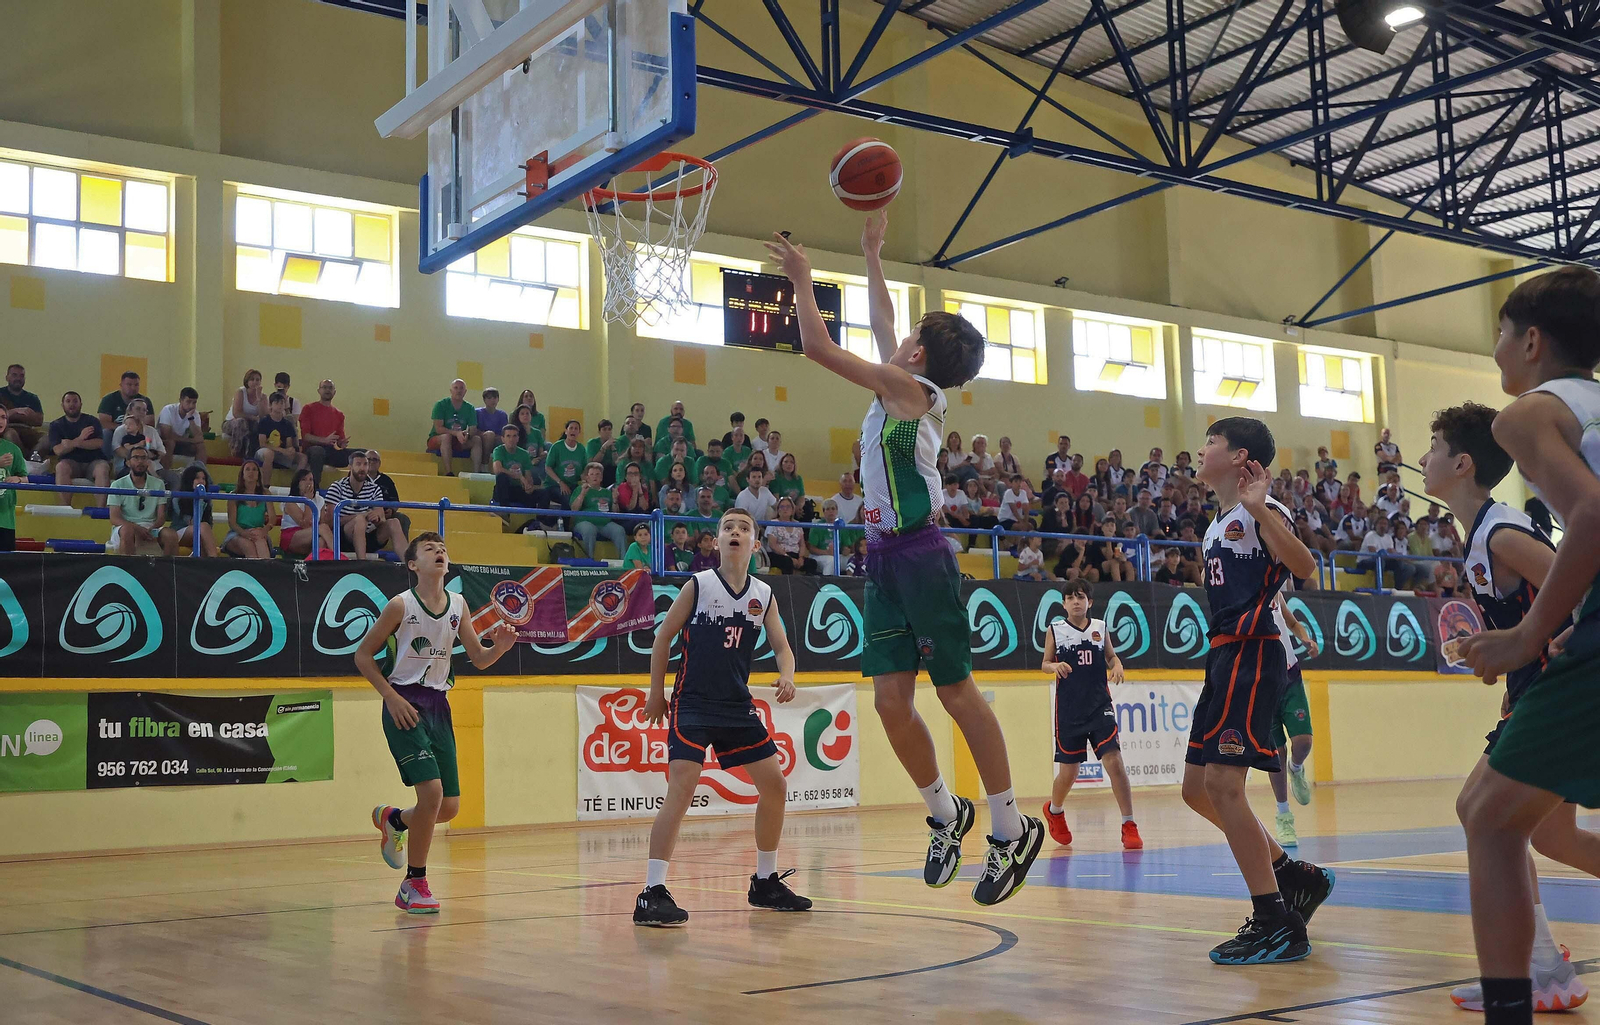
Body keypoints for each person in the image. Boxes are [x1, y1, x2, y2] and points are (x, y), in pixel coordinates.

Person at [767, 212, 1042, 907]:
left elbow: (817, 347)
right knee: (891, 702)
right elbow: (887, 319)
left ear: (918, 357)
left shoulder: (910, 393)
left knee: (956, 692)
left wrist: (803, 281)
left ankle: (1011, 825)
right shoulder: (902, 377)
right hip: (881, 558)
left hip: (921, 556)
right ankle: (948, 816)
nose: (899, 339)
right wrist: (871, 253)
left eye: (910, 338)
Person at [1427, 395, 1595, 1015]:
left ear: (1464, 464)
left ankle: (1535, 972)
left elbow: (1569, 577)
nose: (1423, 459)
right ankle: (1543, 966)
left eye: (1434, 450)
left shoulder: (1499, 530)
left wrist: (1539, 643)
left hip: (1558, 686)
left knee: (1484, 816)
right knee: (1545, 834)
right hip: (1534, 685)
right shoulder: (1482, 532)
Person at [1184, 416, 1332, 965]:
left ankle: (1275, 919)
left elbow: (1305, 566)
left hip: (1252, 652)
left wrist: (1260, 507)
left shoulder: (1261, 513)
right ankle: (1293, 876)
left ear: (1240, 456)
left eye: (1210, 441)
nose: (1200, 450)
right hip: (1223, 654)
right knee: (1196, 789)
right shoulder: (1217, 522)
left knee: (1225, 785)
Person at [634, 508, 808, 925]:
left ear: (755, 544)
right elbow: (662, 637)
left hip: (735, 705)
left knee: (775, 786)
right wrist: (656, 694)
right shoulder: (699, 584)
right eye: (728, 527)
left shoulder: (763, 595)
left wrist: (787, 674)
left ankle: (764, 881)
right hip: (692, 702)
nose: (735, 532)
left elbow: (783, 646)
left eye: (743, 528)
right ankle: (652, 891)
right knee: (683, 786)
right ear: (716, 541)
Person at [362, 533, 517, 914]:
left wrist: (498, 648)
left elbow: (478, 659)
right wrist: (391, 697)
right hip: (404, 702)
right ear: (413, 564)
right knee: (430, 794)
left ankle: (394, 820)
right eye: (430, 549)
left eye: (443, 549)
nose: (440, 552)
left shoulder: (459, 605)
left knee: (448, 807)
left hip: (438, 705)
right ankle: (414, 884)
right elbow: (363, 656)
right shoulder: (400, 606)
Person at [1040, 581, 1140, 850]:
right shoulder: (1055, 630)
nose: (1075, 602)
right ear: (1063, 604)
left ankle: (1129, 824)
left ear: (1090, 602)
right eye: (1070, 598)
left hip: (1099, 706)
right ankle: (1055, 810)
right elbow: (1045, 663)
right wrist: (1054, 666)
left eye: (1080, 597)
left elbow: (1111, 657)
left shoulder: (1100, 627)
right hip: (1069, 709)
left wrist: (1118, 665)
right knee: (1068, 774)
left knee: (1114, 762)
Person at [1266, 588, 1319, 848]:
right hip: (1262, 683)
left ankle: (1296, 768)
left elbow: (1292, 621)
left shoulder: (1274, 590)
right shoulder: (1239, 592)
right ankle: (1283, 814)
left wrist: (1306, 638)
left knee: (1304, 741)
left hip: (1289, 676)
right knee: (1275, 753)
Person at [326, 451, 406, 559]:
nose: (362, 468)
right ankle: (362, 564)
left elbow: (381, 517)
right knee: (359, 520)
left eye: (365, 464)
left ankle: (409, 564)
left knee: (394, 522)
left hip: (368, 535)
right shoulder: (337, 487)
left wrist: (376, 518)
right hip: (343, 537)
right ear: (350, 467)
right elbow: (330, 522)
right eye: (358, 464)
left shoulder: (375, 489)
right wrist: (361, 516)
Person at [49, 391, 110, 505]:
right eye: (68, 401)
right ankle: (64, 509)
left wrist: (72, 443)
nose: (72, 404)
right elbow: (58, 450)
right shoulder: (56, 425)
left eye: (75, 401)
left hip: (93, 461)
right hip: (71, 463)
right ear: (62, 405)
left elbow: (98, 443)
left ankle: (100, 511)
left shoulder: (92, 421)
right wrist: (81, 438)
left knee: (102, 468)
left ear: (81, 404)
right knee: (61, 467)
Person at [107, 446, 167, 556]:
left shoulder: (159, 484)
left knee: (170, 535)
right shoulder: (117, 485)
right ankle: (128, 569)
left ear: (148, 462)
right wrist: (137, 528)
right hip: (125, 526)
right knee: (127, 531)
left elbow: (161, 517)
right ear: (128, 462)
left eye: (144, 458)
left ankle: (171, 571)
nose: (140, 461)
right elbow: (114, 518)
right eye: (136, 458)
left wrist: (151, 529)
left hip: (151, 527)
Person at [299, 380, 352, 488]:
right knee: (318, 451)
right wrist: (325, 440)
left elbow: (339, 440)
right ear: (319, 391)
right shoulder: (308, 408)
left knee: (362, 454)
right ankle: (314, 489)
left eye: (330, 388)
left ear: (334, 392)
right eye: (325, 387)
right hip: (312, 450)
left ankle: (359, 490)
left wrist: (342, 443)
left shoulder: (339, 414)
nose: (328, 390)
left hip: (330, 452)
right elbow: (306, 436)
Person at [160, 463, 221, 557]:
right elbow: (192, 522)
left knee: (204, 533)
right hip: (177, 532)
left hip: (198, 532)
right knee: (203, 527)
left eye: (203, 479)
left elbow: (209, 523)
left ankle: (204, 566)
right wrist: (199, 500)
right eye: (197, 478)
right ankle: (214, 561)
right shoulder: (178, 498)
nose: (201, 481)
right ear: (189, 479)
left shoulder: (206, 499)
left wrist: (202, 499)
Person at [570, 462, 626, 558]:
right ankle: (589, 560)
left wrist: (615, 500)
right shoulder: (580, 489)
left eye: (597, 474)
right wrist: (582, 494)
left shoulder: (607, 492)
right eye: (592, 474)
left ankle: (624, 562)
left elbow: (616, 513)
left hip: (605, 523)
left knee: (619, 530)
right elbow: (574, 509)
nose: (595, 477)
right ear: (587, 477)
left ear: (601, 477)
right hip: (585, 521)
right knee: (589, 530)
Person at [223, 459, 276, 560]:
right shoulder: (234, 496)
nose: (251, 472)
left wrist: (264, 530)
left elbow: (272, 518)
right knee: (248, 545)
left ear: (258, 474)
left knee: (259, 539)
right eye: (247, 469)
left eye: (254, 469)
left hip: (259, 532)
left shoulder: (266, 494)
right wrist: (245, 534)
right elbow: (232, 523)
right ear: (242, 474)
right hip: (237, 534)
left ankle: (266, 571)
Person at [110, 399, 169, 485]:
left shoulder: (151, 431)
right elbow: (119, 450)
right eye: (138, 409)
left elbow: (162, 452)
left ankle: (171, 498)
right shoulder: (121, 430)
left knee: (174, 478)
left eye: (144, 410)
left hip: (154, 466)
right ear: (130, 411)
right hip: (128, 468)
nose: (141, 412)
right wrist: (141, 458)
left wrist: (152, 455)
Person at [427, 379, 479, 475]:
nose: (458, 391)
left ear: (465, 391)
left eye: (461, 388)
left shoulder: (469, 408)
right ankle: (449, 472)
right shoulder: (441, 405)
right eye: (456, 388)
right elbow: (438, 429)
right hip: (438, 439)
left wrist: (466, 434)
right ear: (451, 391)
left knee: (476, 440)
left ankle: (476, 472)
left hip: (458, 440)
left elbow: (473, 429)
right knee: (446, 437)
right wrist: (456, 433)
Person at [491, 424, 547, 513]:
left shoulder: (524, 454)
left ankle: (541, 522)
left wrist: (528, 485)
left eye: (514, 436)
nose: (511, 439)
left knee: (544, 494)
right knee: (502, 477)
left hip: (518, 489)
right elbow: (497, 469)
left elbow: (528, 475)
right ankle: (505, 513)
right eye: (508, 436)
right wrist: (519, 476)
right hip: (503, 489)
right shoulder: (499, 450)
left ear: (518, 438)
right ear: (503, 438)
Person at [280, 468, 333, 558]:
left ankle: (313, 567)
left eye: (311, 479)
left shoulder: (319, 500)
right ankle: (338, 557)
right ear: (297, 483)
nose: (308, 483)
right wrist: (308, 501)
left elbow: (323, 523)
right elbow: (304, 524)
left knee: (321, 541)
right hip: (292, 536)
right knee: (323, 528)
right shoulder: (290, 501)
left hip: (313, 535)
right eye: (304, 480)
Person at [254, 392, 306, 478]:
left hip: (281, 452)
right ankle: (265, 486)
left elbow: (288, 444)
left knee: (303, 458)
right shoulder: (264, 421)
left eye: (282, 402)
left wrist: (290, 450)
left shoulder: (288, 424)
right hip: (264, 451)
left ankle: (296, 484)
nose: (279, 405)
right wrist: (282, 450)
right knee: (269, 454)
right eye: (276, 402)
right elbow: (262, 444)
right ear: (270, 405)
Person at [157, 387, 207, 471]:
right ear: (181, 400)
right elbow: (166, 435)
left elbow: (199, 437)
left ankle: (199, 473)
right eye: (188, 402)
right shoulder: (168, 410)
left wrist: (190, 418)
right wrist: (191, 440)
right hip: (163, 442)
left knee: (200, 445)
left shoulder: (194, 414)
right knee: (170, 443)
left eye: (194, 402)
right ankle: (165, 474)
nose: (191, 405)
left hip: (181, 443)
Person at [764, 496, 818, 575]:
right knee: (787, 562)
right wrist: (787, 556)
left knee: (812, 563)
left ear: (793, 510)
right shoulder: (773, 523)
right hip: (778, 554)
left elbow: (802, 544)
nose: (785, 509)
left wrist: (801, 558)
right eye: (782, 507)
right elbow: (773, 545)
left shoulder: (797, 524)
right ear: (778, 510)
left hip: (795, 554)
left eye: (788, 507)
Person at [366, 451, 411, 542]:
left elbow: (395, 501)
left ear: (379, 463)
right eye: (368, 459)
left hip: (385, 515)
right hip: (363, 513)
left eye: (374, 460)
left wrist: (391, 510)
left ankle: (405, 551)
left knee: (402, 518)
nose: (371, 462)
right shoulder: (358, 477)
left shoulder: (386, 480)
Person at [0, 364, 43, 456]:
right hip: (6, 429)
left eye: (21, 376)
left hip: (27, 431)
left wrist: (9, 414)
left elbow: (39, 421)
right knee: (11, 435)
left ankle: (32, 459)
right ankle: (23, 462)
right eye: (14, 375)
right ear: (7, 377)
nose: (18, 378)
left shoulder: (32, 398)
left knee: (48, 439)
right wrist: (16, 411)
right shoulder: (1, 394)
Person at [545, 420, 589, 510]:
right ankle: (565, 523)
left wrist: (585, 481)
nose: (573, 430)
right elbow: (548, 467)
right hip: (554, 485)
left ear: (579, 432)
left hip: (573, 485)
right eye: (571, 428)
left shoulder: (581, 449)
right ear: (566, 431)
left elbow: (585, 469)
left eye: (576, 428)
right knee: (567, 498)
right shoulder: (557, 447)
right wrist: (560, 482)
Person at [221, 369, 264, 458]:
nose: (255, 382)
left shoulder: (263, 396)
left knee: (258, 425)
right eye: (252, 379)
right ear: (247, 381)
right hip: (232, 423)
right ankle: (236, 452)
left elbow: (263, 416)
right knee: (241, 422)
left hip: (250, 424)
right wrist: (253, 417)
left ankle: (253, 454)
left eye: (257, 379)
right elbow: (236, 413)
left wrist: (259, 399)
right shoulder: (240, 392)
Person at [0, 408, 26, 551]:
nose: (1, 421)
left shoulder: (13, 449)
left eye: (4, 417)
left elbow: (25, 478)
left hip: (6, 520)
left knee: (5, 567)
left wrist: (19, 480)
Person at [474, 388, 507, 471]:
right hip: (481, 438)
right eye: (489, 398)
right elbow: (474, 429)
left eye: (495, 398)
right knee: (489, 435)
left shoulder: (502, 415)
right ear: (484, 400)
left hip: (496, 439)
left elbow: (503, 432)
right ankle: (484, 464)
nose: (492, 400)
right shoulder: (477, 412)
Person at [587, 419, 623, 486]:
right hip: (597, 470)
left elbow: (616, 463)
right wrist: (604, 447)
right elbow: (593, 462)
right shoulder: (592, 443)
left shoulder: (616, 443)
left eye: (609, 429)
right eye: (604, 429)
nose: (607, 432)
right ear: (599, 432)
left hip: (611, 472)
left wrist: (613, 449)